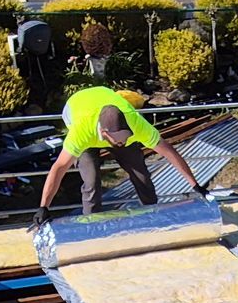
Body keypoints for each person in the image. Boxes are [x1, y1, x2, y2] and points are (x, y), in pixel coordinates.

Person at [31, 85, 206, 225]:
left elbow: (169, 152)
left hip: (104, 99)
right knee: (91, 181)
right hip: (77, 109)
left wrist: (195, 185)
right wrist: (43, 206)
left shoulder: (135, 123)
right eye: (118, 141)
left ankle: (153, 215)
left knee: (141, 174)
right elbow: (59, 167)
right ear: (105, 133)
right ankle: (93, 227)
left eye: (125, 138)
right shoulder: (81, 131)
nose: (121, 143)